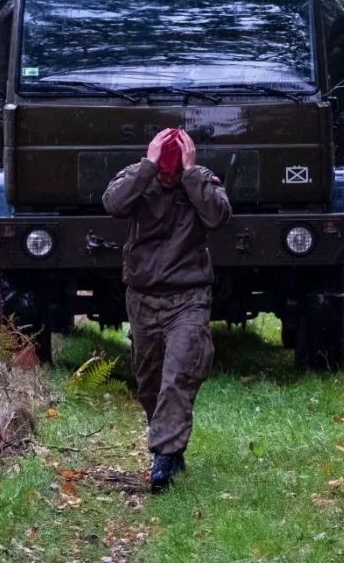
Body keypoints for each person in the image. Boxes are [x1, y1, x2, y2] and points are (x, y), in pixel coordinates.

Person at [102, 128, 232, 491]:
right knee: (150, 383)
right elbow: (113, 204)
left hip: (189, 297)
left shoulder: (201, 180)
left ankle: (164, 456)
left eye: (175, 173)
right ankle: (172, 448)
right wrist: (147, 169)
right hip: (143, 297)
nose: (169, 179)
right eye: (165, 172)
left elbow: (219, 216)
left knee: (179, 373)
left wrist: (191, 175)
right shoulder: (138, 176)